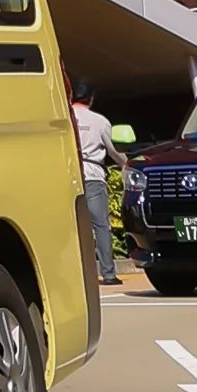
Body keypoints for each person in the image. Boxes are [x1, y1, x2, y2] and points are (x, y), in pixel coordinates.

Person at [72, 93, 118, 282]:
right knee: (100, 226)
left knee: (70, 229)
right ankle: (108, 274)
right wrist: (125, 165)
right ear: (91, 99)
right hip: (92, 175)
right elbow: (113, 150)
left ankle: (76, 277)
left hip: (68, 175)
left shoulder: (64, 116)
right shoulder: (100, 121)